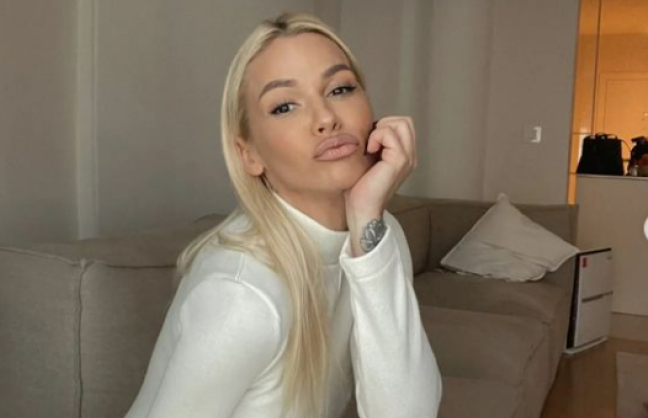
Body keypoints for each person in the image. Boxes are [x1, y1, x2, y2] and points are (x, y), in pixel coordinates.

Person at [123, 12, 442, 418]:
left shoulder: (376, 233)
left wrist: (367, 218)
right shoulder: (242, 296)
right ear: (249, 155)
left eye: (341, 88)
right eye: (285, 106)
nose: (326, 118)